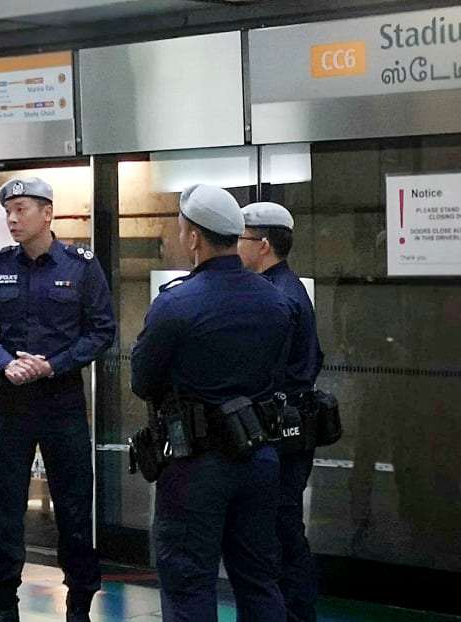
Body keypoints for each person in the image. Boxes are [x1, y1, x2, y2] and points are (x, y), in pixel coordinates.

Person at [131, 184, 295, 622]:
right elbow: (279, 373)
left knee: (189, 583)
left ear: (193, 238)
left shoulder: (175, 305)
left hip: (195, 466)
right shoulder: (276, 301)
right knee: (259, 581)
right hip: (259, 456)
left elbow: (142, 380)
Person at [0, 177, 116, 622]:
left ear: (48, 213)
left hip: (61, 401)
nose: (12, 219)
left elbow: (102, 331)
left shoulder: (81, 266)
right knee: (6, 508)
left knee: (74, 508)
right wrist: (5, 363)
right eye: (7, 211)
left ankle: (79, 604)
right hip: (10, 402)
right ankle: (3, 604)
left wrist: (53, 365)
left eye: (22, 209)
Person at [238, 201, 324, 622]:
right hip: (291, 426)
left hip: (283, 430)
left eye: (242, 238)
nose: (236, 246)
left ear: (264, 245)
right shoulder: (288, 288)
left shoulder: (277, 298)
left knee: (281, 531)